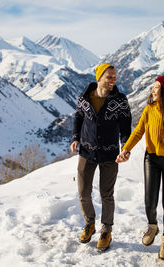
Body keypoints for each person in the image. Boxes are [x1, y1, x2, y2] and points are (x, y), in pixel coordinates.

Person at [116, 72, 164, 260]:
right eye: (153, 87)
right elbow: (139, 131)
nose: (153, 90)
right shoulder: (149, 110)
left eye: (156, 87)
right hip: (152, 159)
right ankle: (153, 226)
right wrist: (125, 149)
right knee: (150, 201)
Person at [70, 64, 132, 251]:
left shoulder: (120, 100)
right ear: (99, 77)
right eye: (109, 77)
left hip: (110, 153)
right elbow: (78, 118)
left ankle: (106, 230)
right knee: (83, 193)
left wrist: (126, 148)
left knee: (107, 194)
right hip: (87, 152)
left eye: (114, 77)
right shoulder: (85, 97)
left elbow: (125, 126)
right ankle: (90, 224)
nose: (113, 80)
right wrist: (75, 138)